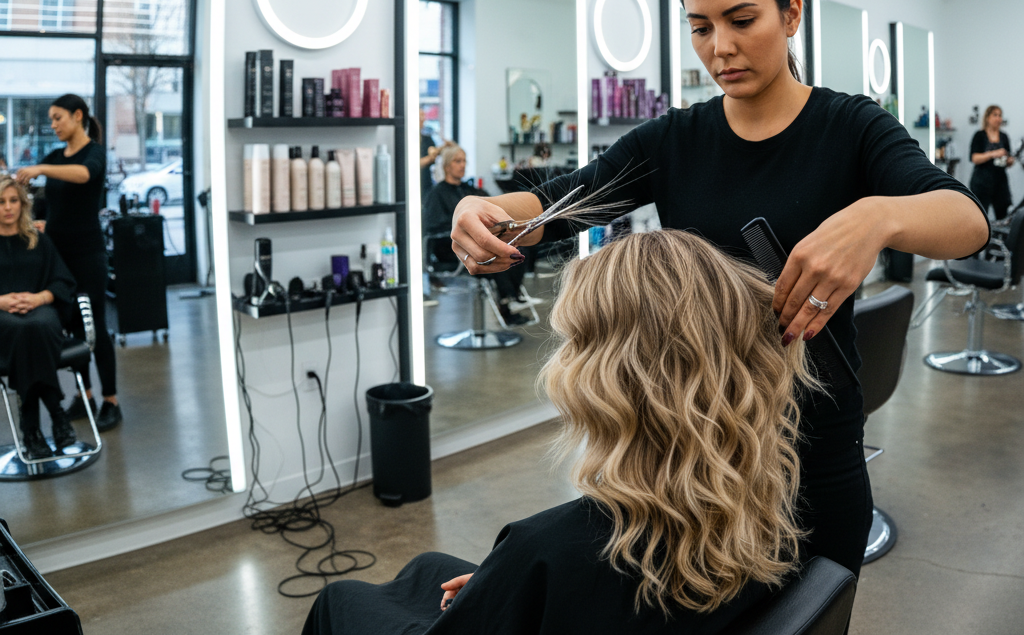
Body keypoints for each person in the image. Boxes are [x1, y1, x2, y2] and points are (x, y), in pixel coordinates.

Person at [450, 0, 989, 576]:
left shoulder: (851, 127)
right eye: (700, 27)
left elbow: (965, 220)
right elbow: (558, 206)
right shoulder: (672, 141)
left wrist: (877, 217)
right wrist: (480, 210)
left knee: (816, 603)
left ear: (792, 14)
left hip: (814, 431)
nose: (721, 48)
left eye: (741, 20)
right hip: (696, 438)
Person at [301, 229, 822, 635]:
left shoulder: (545, 549)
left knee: (341, 600)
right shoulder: (766, 502)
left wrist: (507, 592)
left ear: (605, 378)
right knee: (425, 568)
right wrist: (501, 593)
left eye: (574, 342)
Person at [16, 93, 121, 432]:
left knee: (96, 328)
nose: (54, 125)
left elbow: (84, 176)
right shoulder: (56, 156)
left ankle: (111, 400)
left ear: (78, 116)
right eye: (51, 119)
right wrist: (42, 219)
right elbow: (51, 200)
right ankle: (85, 394)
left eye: (58, 117)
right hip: (58, 255)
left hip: (87, 253)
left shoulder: (94, 155)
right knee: (72, 325)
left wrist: (43, 168)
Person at [0, 175, 79, 460]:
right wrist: (2, 301)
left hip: (39, 310)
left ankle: (30, 429)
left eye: (14, 201)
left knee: (38, 324)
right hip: (1, 319)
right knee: (24, 331)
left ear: (22, 204)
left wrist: (38, 298)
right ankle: (57, 415)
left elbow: (63, 282)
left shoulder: (38, 240)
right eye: (1, 202)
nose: (8, 208)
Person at [423, 144, 532, 324]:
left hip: (477, 242)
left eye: (464, 161)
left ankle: (512, 296)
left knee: (517, 247)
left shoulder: (469, 189)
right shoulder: (437, 193)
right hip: (451, 247)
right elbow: (434, 227)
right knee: (497, 254)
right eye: (458, 161)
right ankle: (507, 301)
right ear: (447, 166)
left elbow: (490, 206)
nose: (463, 165)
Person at [969, 105, 1015, 221]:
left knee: (1003, 216)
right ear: (987, 117)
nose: (998, 118)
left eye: (1000, 115)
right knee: (980, 217)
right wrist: (993, 154)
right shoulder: (979, 136)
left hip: (1000, 183)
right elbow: (974, 158)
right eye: (995, 115)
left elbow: (1008, 157)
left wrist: (1009, 161)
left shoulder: (1004, 137)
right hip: (982, 183)